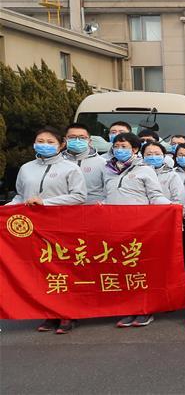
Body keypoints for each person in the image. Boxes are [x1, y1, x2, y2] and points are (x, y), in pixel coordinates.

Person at [12, 127, 87, 335]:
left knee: (63, 270)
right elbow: (20, 196)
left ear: (61, 144)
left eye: (49, 141)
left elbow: (79, 196)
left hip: (62, 226)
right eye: (40, 141)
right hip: (33, 228)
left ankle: (68, 313)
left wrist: (46, 202)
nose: (44, 144)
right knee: (41, 271)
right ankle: (49, 312)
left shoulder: (70, 168)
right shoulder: (26, 168)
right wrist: (8, 209)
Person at [102, 132, 170, 328]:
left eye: (124, 146)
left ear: (134, 149)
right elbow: (107, 196)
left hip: (140, 228)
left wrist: (173, 208)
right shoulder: (108, 171)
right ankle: (128, 308)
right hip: (114, 228)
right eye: (117, 146)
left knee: (141, 269)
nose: (120, 150)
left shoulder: (145, 170)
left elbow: (155, 196)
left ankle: (145, 310)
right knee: (122, 270)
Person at [62, 122, 106, 204]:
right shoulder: (58, 162)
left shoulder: (102, 162)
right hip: (63, 209)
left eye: (82, 138)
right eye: (72, 137)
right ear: (65, 140)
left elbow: (109, 189)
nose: (77, 140)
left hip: (92, 210)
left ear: (89, 141)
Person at [141, 141, 184, 207]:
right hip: (142, 213)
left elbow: (178, 199)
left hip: (165, 213)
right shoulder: (137, 174)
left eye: (157, 154)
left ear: (164, 156)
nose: (153, 157)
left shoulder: (172, 175)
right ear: (143, 156)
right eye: (149, 154)